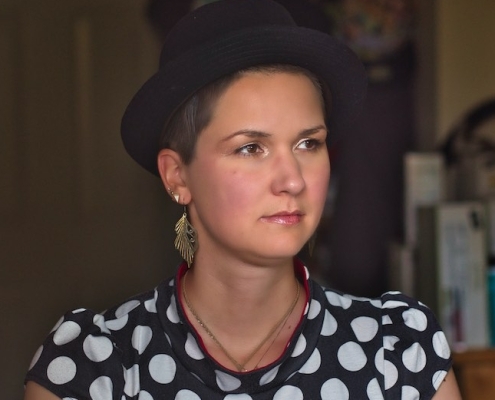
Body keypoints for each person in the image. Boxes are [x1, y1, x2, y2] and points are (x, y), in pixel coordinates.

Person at [24, 1, 461, 399]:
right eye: (251, 148)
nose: (292, 180)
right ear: (177, 175)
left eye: (309, 144)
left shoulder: (401, 354)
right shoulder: (92, 367)